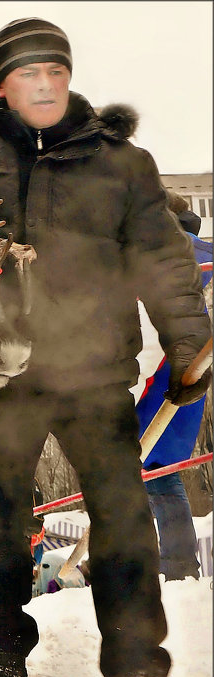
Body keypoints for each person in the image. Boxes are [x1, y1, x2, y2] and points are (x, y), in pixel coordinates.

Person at [0, 17, 211, 677]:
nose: (43, 84)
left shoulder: (121, 163)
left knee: (123, 521)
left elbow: (164, 258)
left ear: (69, 78)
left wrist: (187, 338)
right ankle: (0, 647)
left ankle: (138, 668)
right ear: (2, 85)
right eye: (27, 73)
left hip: (91, 370)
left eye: (55, 70)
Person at [134, 197, 212, 580]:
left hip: (152, 376)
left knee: (134, 475)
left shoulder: (159, 255)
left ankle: (144, 568)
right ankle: (179, 566)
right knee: (160, 473)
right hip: (184, 378)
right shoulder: (199, 262)